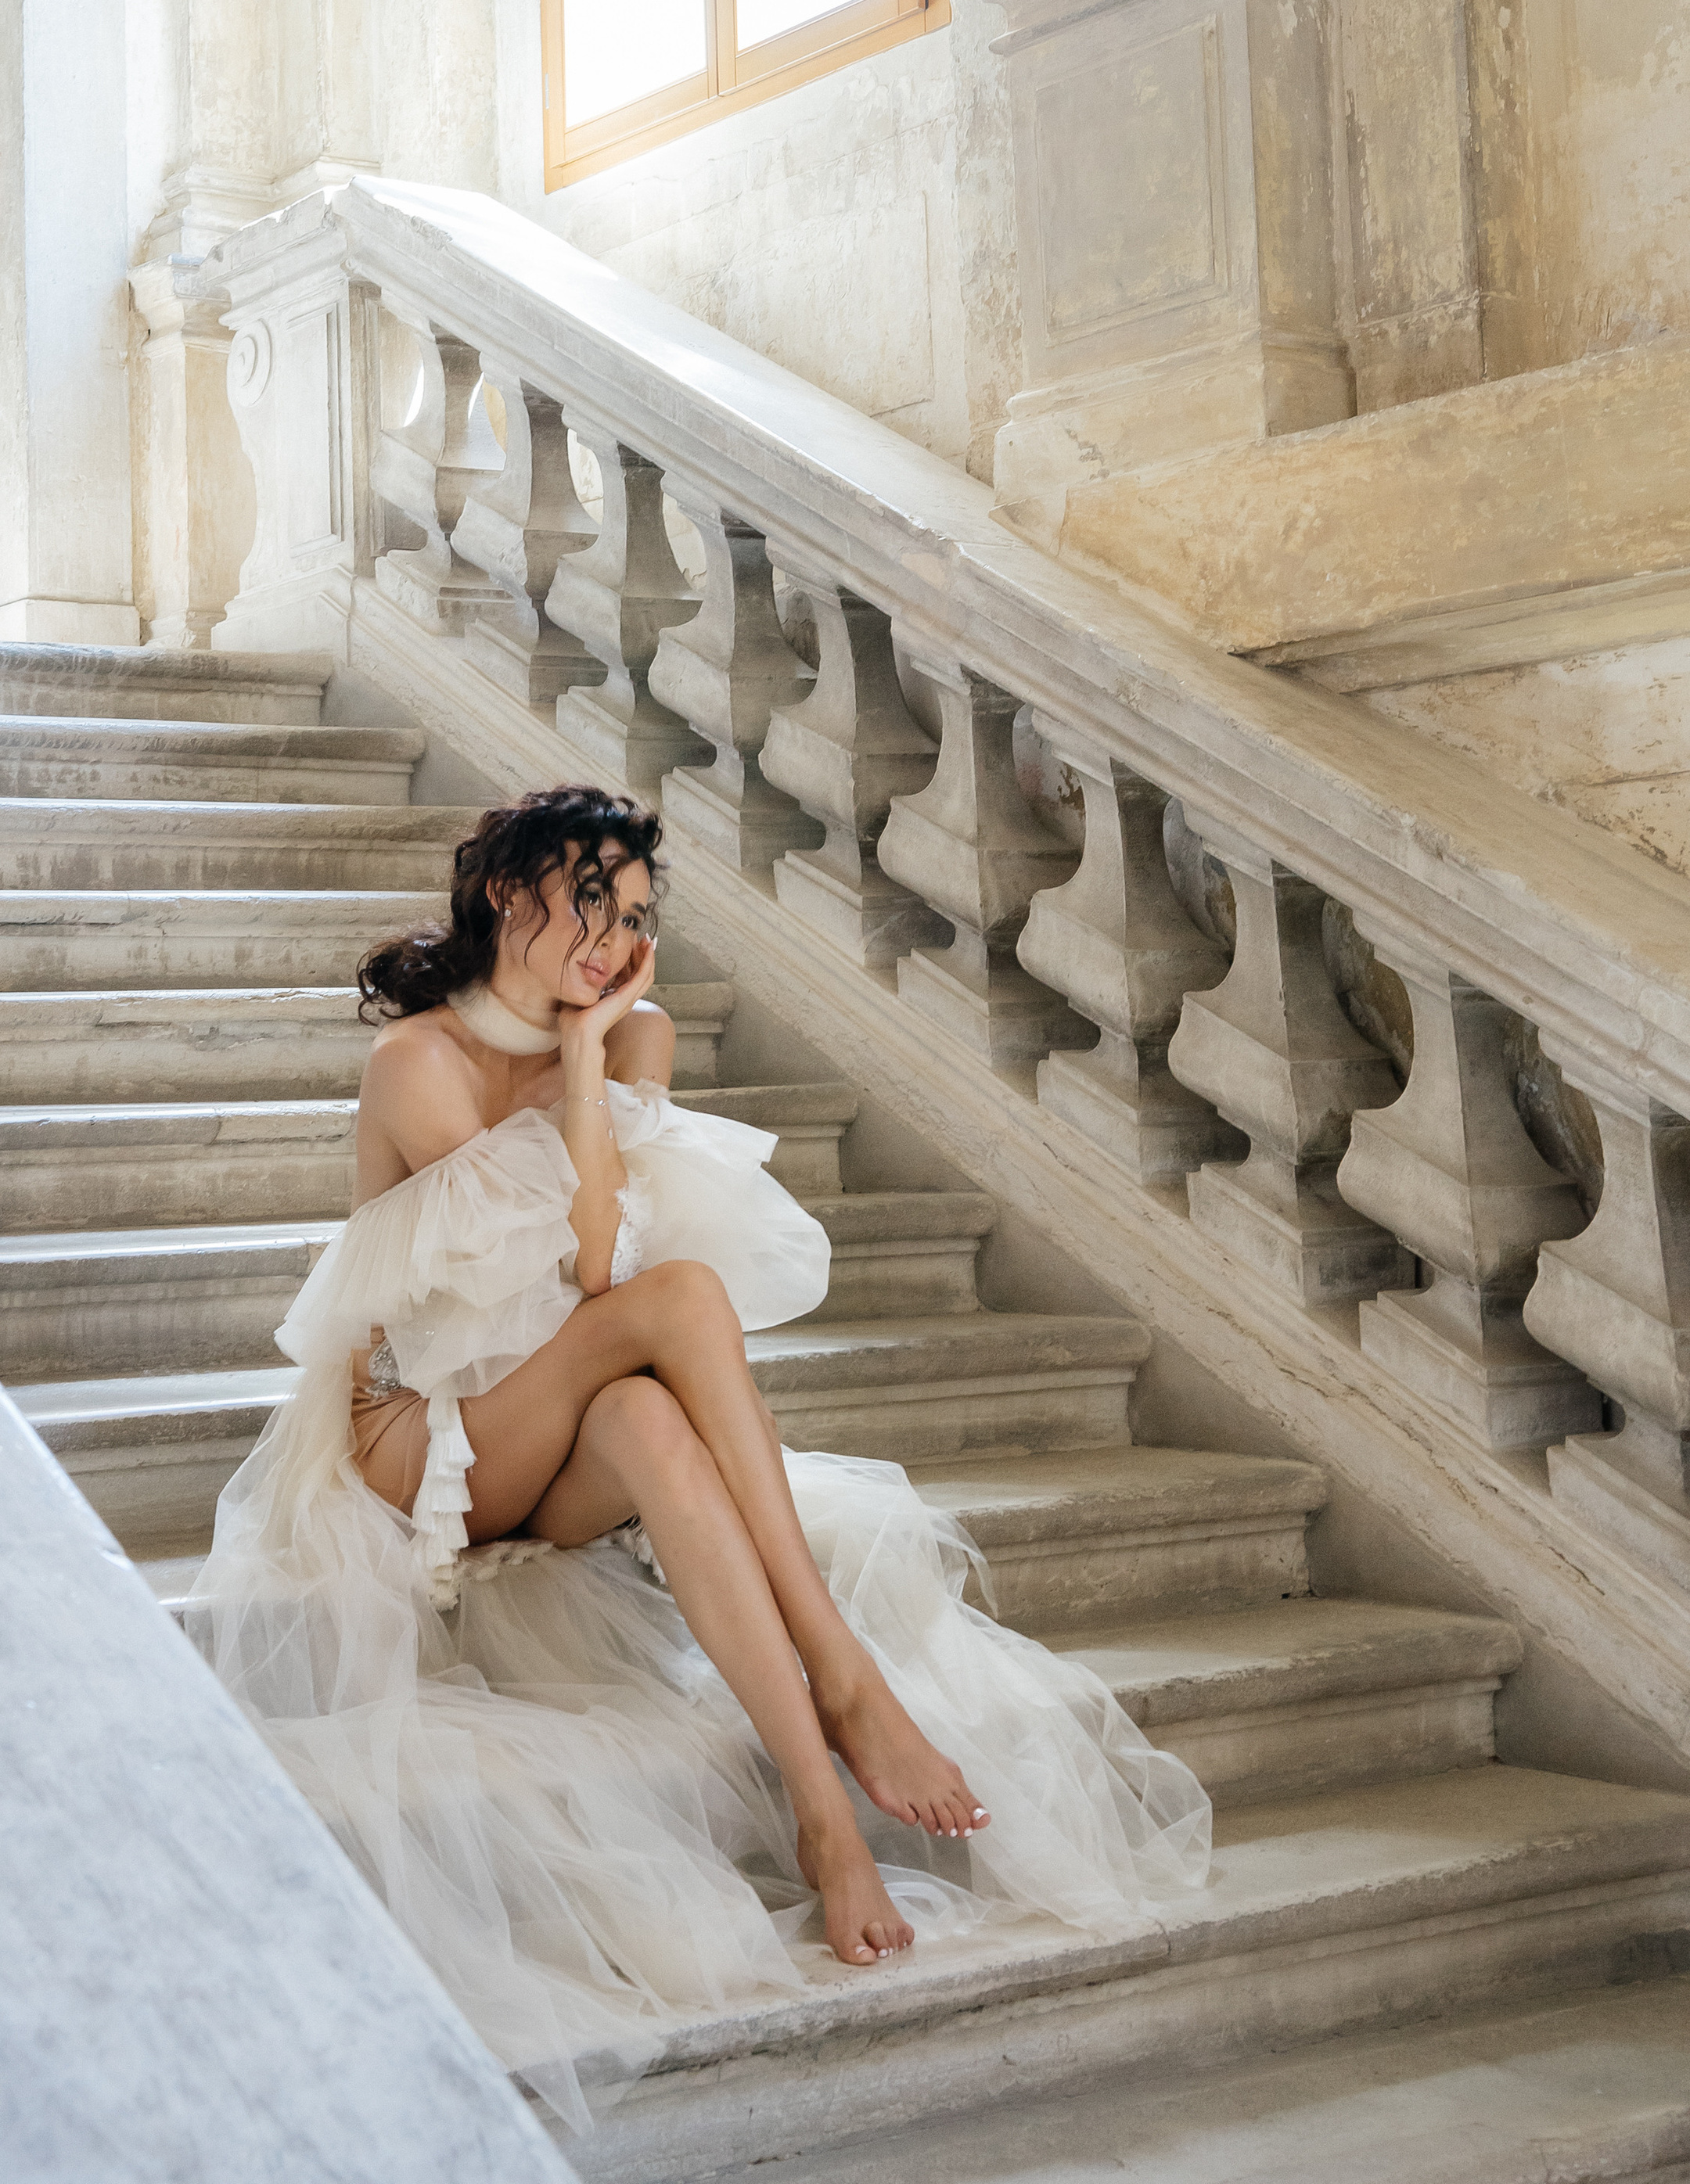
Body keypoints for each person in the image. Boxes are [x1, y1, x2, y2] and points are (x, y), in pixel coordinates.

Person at [189, 785, 1210, 2132]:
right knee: (680, 1308)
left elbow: (600, 1284)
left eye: (637, 920)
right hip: (428, 1444)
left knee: (655, 1419)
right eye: (589, 906)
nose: (612, 947)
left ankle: (823, 1815)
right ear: (509, 896)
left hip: (568, 1419)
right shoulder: (420, 1066)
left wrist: (610, 1050)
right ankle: (841, 1672)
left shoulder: (638, 1032)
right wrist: (578, 1066)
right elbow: (597, 1270)